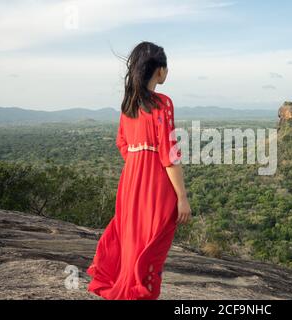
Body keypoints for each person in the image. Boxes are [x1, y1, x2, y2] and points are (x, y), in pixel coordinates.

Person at [86, 41, 192, 300]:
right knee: (152, 247)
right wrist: (182, 197)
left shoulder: (128, 106)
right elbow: (169, 154)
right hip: (155, 186)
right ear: (159, 70)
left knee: (133, 243)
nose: (167, 73)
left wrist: (138, 161)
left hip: (131, 183)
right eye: (166, 68)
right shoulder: (163, 103)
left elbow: (122, 144)